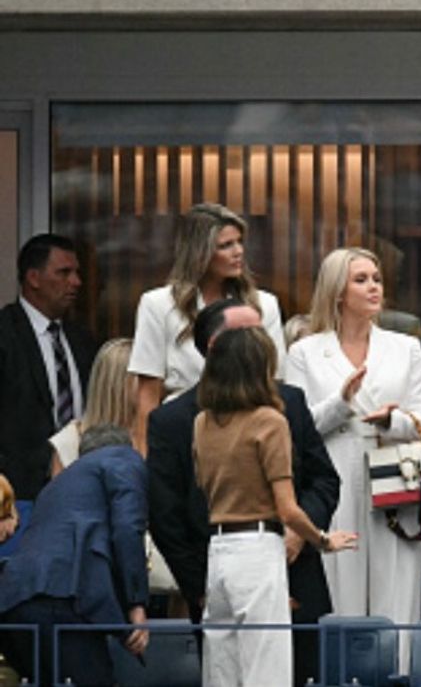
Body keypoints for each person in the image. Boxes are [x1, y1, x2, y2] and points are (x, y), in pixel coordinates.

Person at [145, 297, 341, 685]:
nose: (261, 340)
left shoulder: (288, 402)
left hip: (286, 572)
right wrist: (198, 587)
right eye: (250, 333)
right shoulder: (179, 420)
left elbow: (323, 480)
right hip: (226, 566)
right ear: (218, 346)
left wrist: (297, 538)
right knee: (254, 674)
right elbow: (166, 516)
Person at [193, 326, 357, 687]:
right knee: (266, 671)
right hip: (258, 549)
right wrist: (322, 540)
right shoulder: (269, 421)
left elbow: (203, 487)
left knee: (221, 672)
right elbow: (288, 510)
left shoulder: (202, 422)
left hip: (218, 550)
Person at [282, 248, 421, 631]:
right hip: (332, 473)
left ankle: (397, 663)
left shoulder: (406, 347)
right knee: (339, 585)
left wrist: (390, 420)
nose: (373, 287)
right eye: (361, 280)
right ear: (337, 291)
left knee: (396, 589)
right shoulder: (304, 352)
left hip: (395, 473)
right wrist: (342, 403)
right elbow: (297, 427)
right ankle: (342, 664)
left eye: (377, 279)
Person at [0, 424, 148, 687]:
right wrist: (136, 605)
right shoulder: (121, 458)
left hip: (13, 603)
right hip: (62, 598)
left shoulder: (58, 485)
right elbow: (127, 529)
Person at [130, 203, 286, 436]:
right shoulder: (158, 305)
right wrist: (144, 454)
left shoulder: (264, 305)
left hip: (249, 432)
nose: (238, 251)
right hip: (180, 430)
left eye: (239, 241)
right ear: (199, 252)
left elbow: (275, 381)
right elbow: (147, 393)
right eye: (225, 245)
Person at [0, 234, 96, 500]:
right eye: (64, 273)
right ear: (34, 278)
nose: (76, 282)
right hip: (21, 494)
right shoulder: (5, 335)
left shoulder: (82, 340)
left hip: (82, 486)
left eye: (77, 273)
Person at [48, 338, 136, 475]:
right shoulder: (68, 443)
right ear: (118, 385)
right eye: (143, 379)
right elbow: (60, 489)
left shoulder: (156, 436)